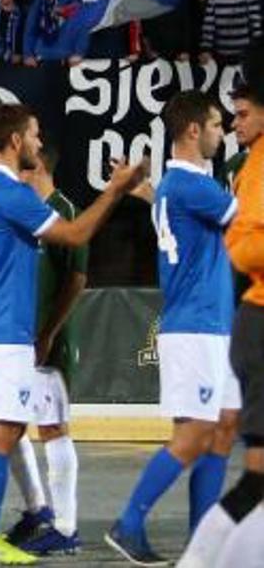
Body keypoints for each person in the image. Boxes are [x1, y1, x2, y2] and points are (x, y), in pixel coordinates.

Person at [0, 103, 143, 564]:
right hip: (5, 332)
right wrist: (115, 190)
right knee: (5, 430)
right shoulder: (11, 193)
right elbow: (76, 234)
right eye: (35, 134)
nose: (39, 143)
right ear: (15, 140)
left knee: (0, 430)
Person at [105, 91, 240, 565]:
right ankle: (129, 523)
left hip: (210, 324)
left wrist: (144, 191)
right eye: (217, 125)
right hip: (196, 327)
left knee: (223, 429)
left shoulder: (176, 185)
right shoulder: (192, 186)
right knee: (193, 436)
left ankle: (202, 543)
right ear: (193, 130)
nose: (223, 133)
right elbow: (246, 219)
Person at [181, 81, 264, 565]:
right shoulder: (249, 169)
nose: (234, 125)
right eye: (231, 115)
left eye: (243, 113)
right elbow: (243, 246)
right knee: (256, 478)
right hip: (254, 317)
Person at [0, 145, 87, 556]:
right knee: (6, 425)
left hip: (47, 339)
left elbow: (76, 279)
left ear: (37, 169)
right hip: (18, 338)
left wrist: (49, 333)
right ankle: (38, 511)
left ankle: (66, 528)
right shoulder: (24, 212)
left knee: (52, 427)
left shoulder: (63, 211)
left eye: (21, 171)